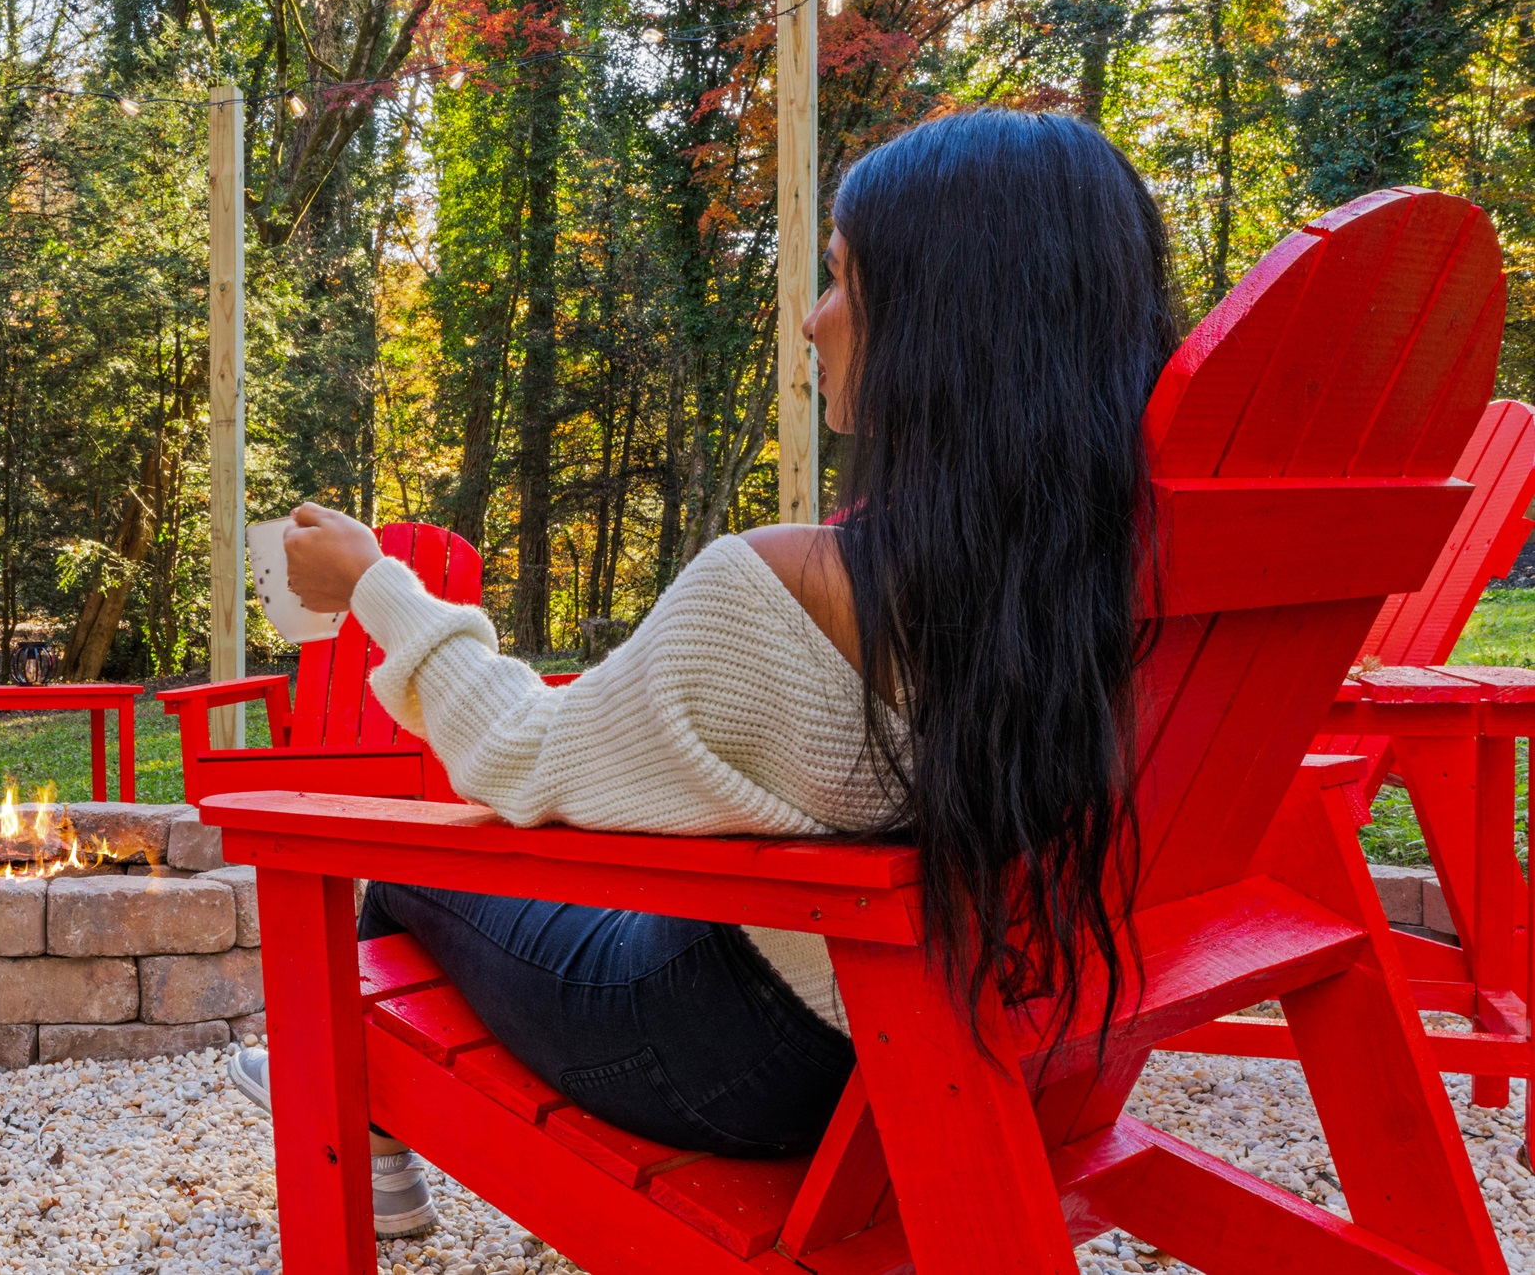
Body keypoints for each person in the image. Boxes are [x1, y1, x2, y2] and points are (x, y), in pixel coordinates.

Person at [223, 108, 1176, 1238]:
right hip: (1000, 1024)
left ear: (942, 322)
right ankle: (376, 1131)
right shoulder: (1107, 582)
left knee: (405, 871)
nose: (813, 318)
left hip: (752, 1056)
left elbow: (518, 757)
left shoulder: (786, 591)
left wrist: (375, 583)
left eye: (839, 278)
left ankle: (361, 1131)